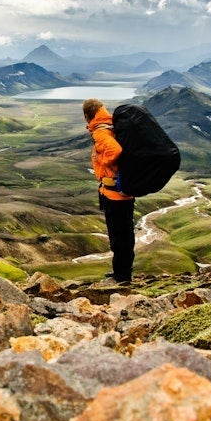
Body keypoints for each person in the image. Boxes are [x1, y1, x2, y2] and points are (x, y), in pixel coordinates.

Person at [83, 98, 135, 283]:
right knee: (123, 235)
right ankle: (121, 272)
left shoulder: (101, 132)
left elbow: (115, 151)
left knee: (119, 236)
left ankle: (122, 277)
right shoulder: (110, 126)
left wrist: (102, 162)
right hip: (119, 192)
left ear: (87, 116)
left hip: (115, 195)